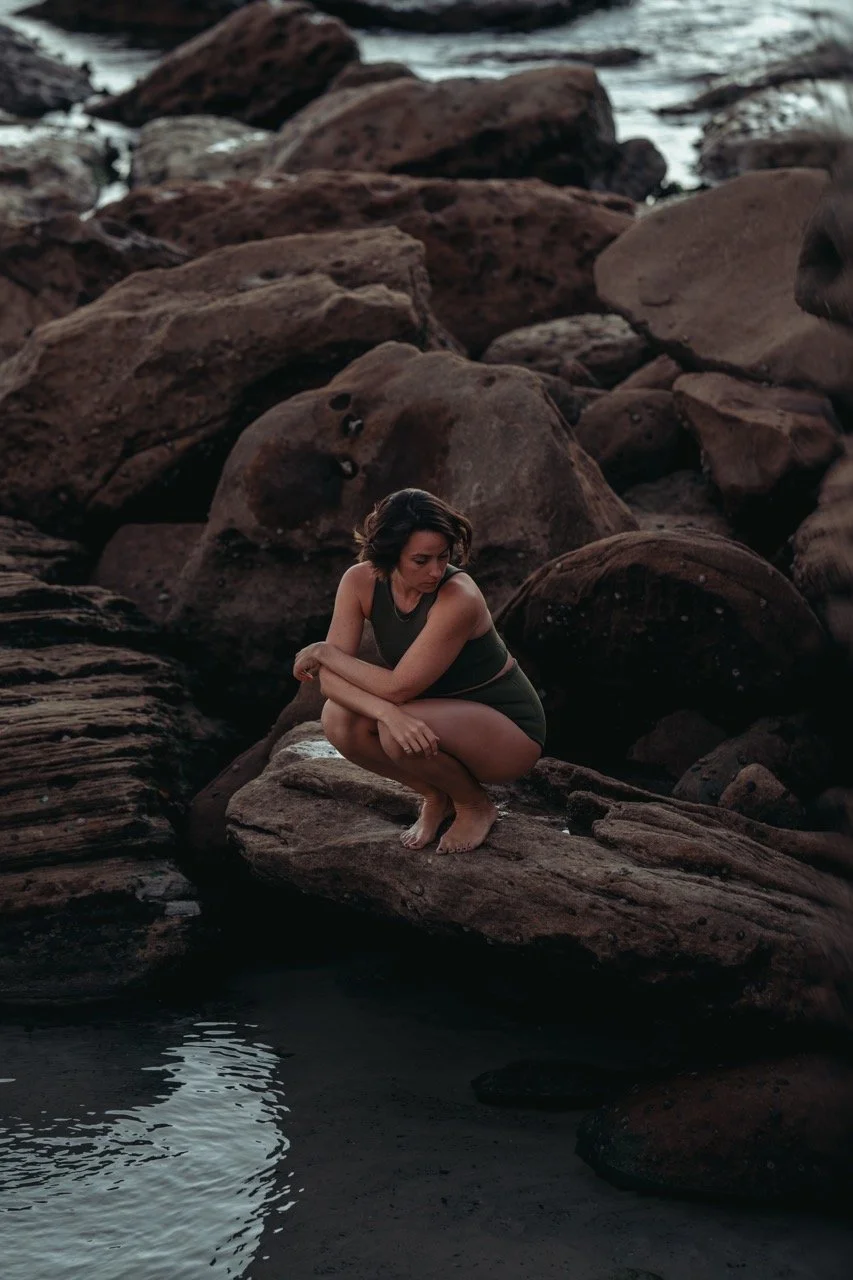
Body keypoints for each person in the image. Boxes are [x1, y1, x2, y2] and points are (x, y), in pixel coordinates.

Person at [292, 489, 546, 854]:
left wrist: (323, 652)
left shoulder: (459, 596)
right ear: (389, 554)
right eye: (421, 560)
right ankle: (435, 794)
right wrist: (385, 713)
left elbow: (397, 687)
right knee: (338, 719)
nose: (435, 570)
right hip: (432, 715)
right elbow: (331, 682)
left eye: (443, 557)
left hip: (507, 730)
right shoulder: (359, 581)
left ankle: (475, 805)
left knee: (398, 734)